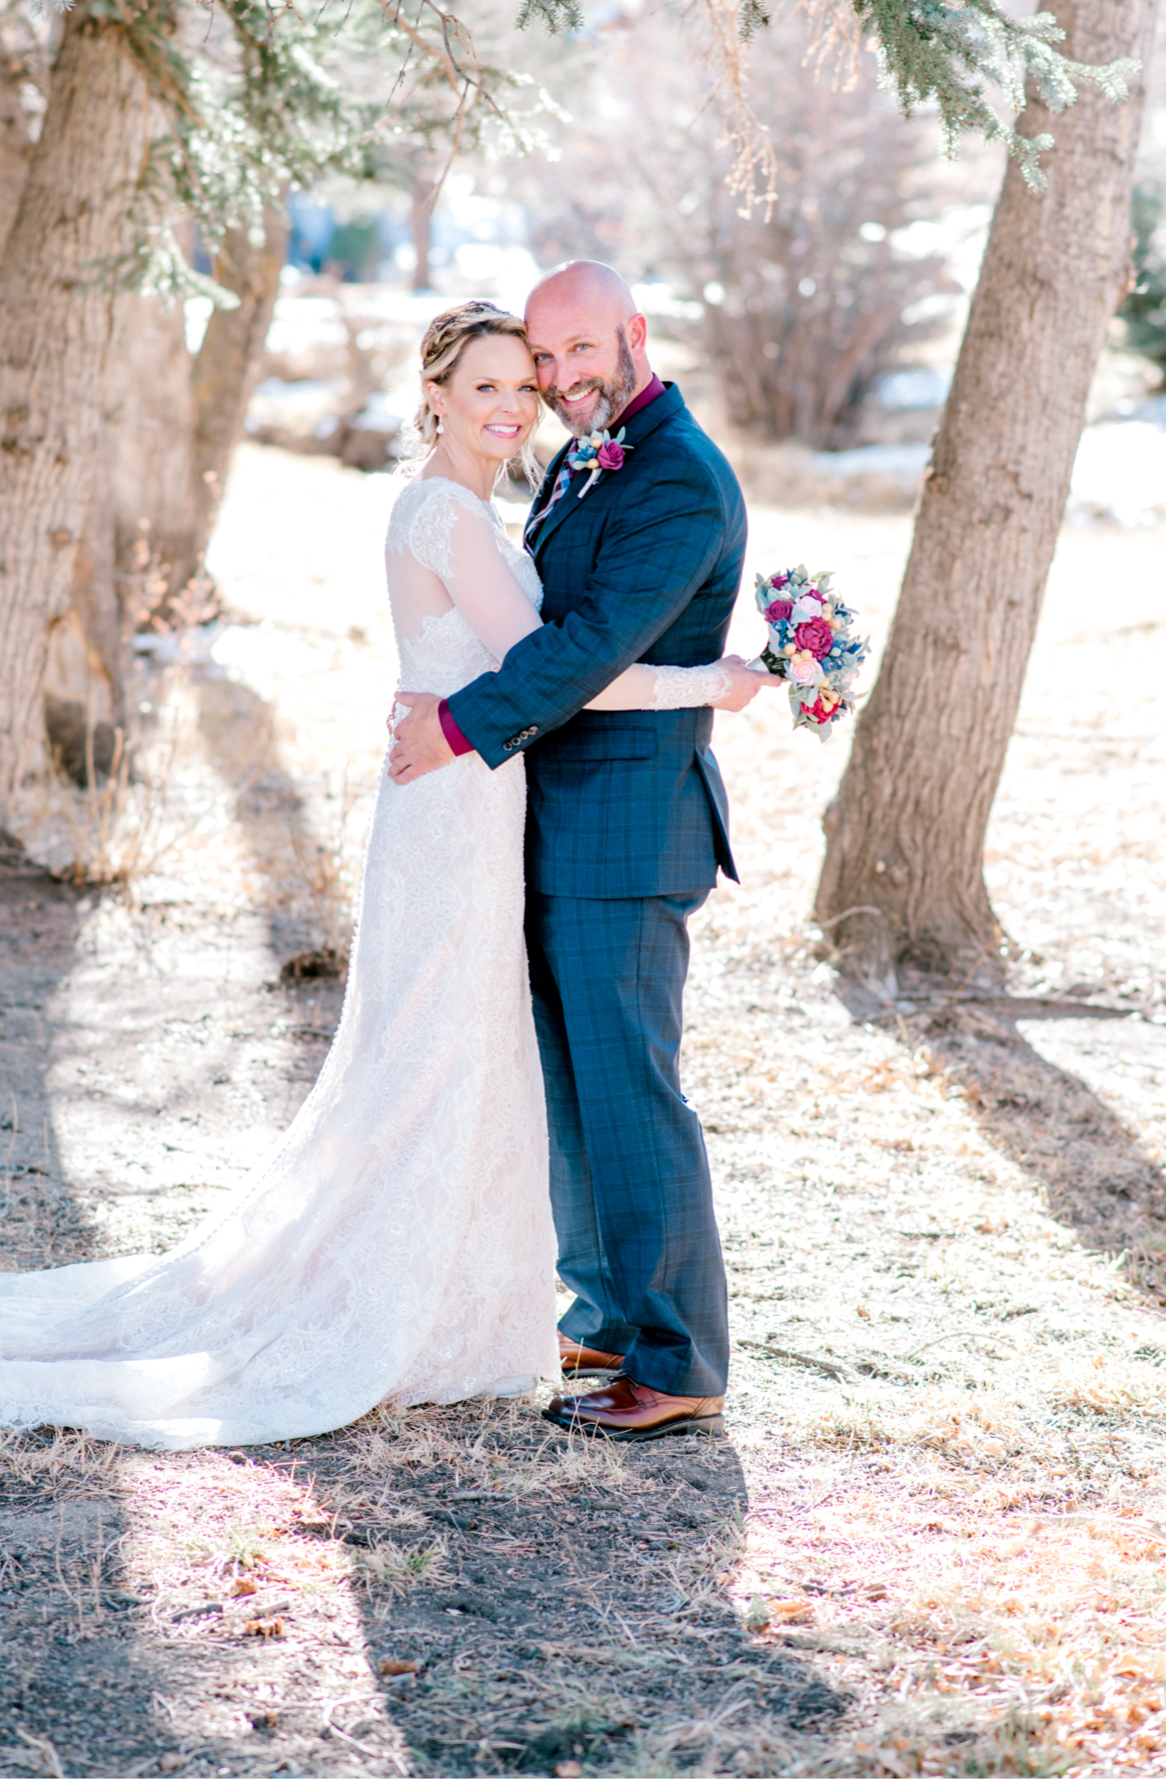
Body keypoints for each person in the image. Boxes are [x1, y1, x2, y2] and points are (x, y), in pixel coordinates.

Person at [0, 299, 766, 1451]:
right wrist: (711, 682)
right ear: (437, 397)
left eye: (544, 369)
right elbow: (559, 659)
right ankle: (548, 1312)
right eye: (506, 376)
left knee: (578, 1081)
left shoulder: (651, 474)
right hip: (468, 808)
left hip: (544, 814)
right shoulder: (482, 498)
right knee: (466, 1060)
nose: (531, 394)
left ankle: (664, 1351)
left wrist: (515, 711)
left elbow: (568, 656)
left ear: (632, 333)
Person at [390, 262, 775, 1444]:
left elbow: (590, 647)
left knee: (631, 1097)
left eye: (577, 353)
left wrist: (459, 726)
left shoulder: (678, 478)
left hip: (627, 831)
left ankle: (678, 1358)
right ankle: (604, 1315)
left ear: (635, 334)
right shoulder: (584, 456)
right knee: (571, 1093)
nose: (558, 380)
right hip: (547, 822)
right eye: (542, 360)